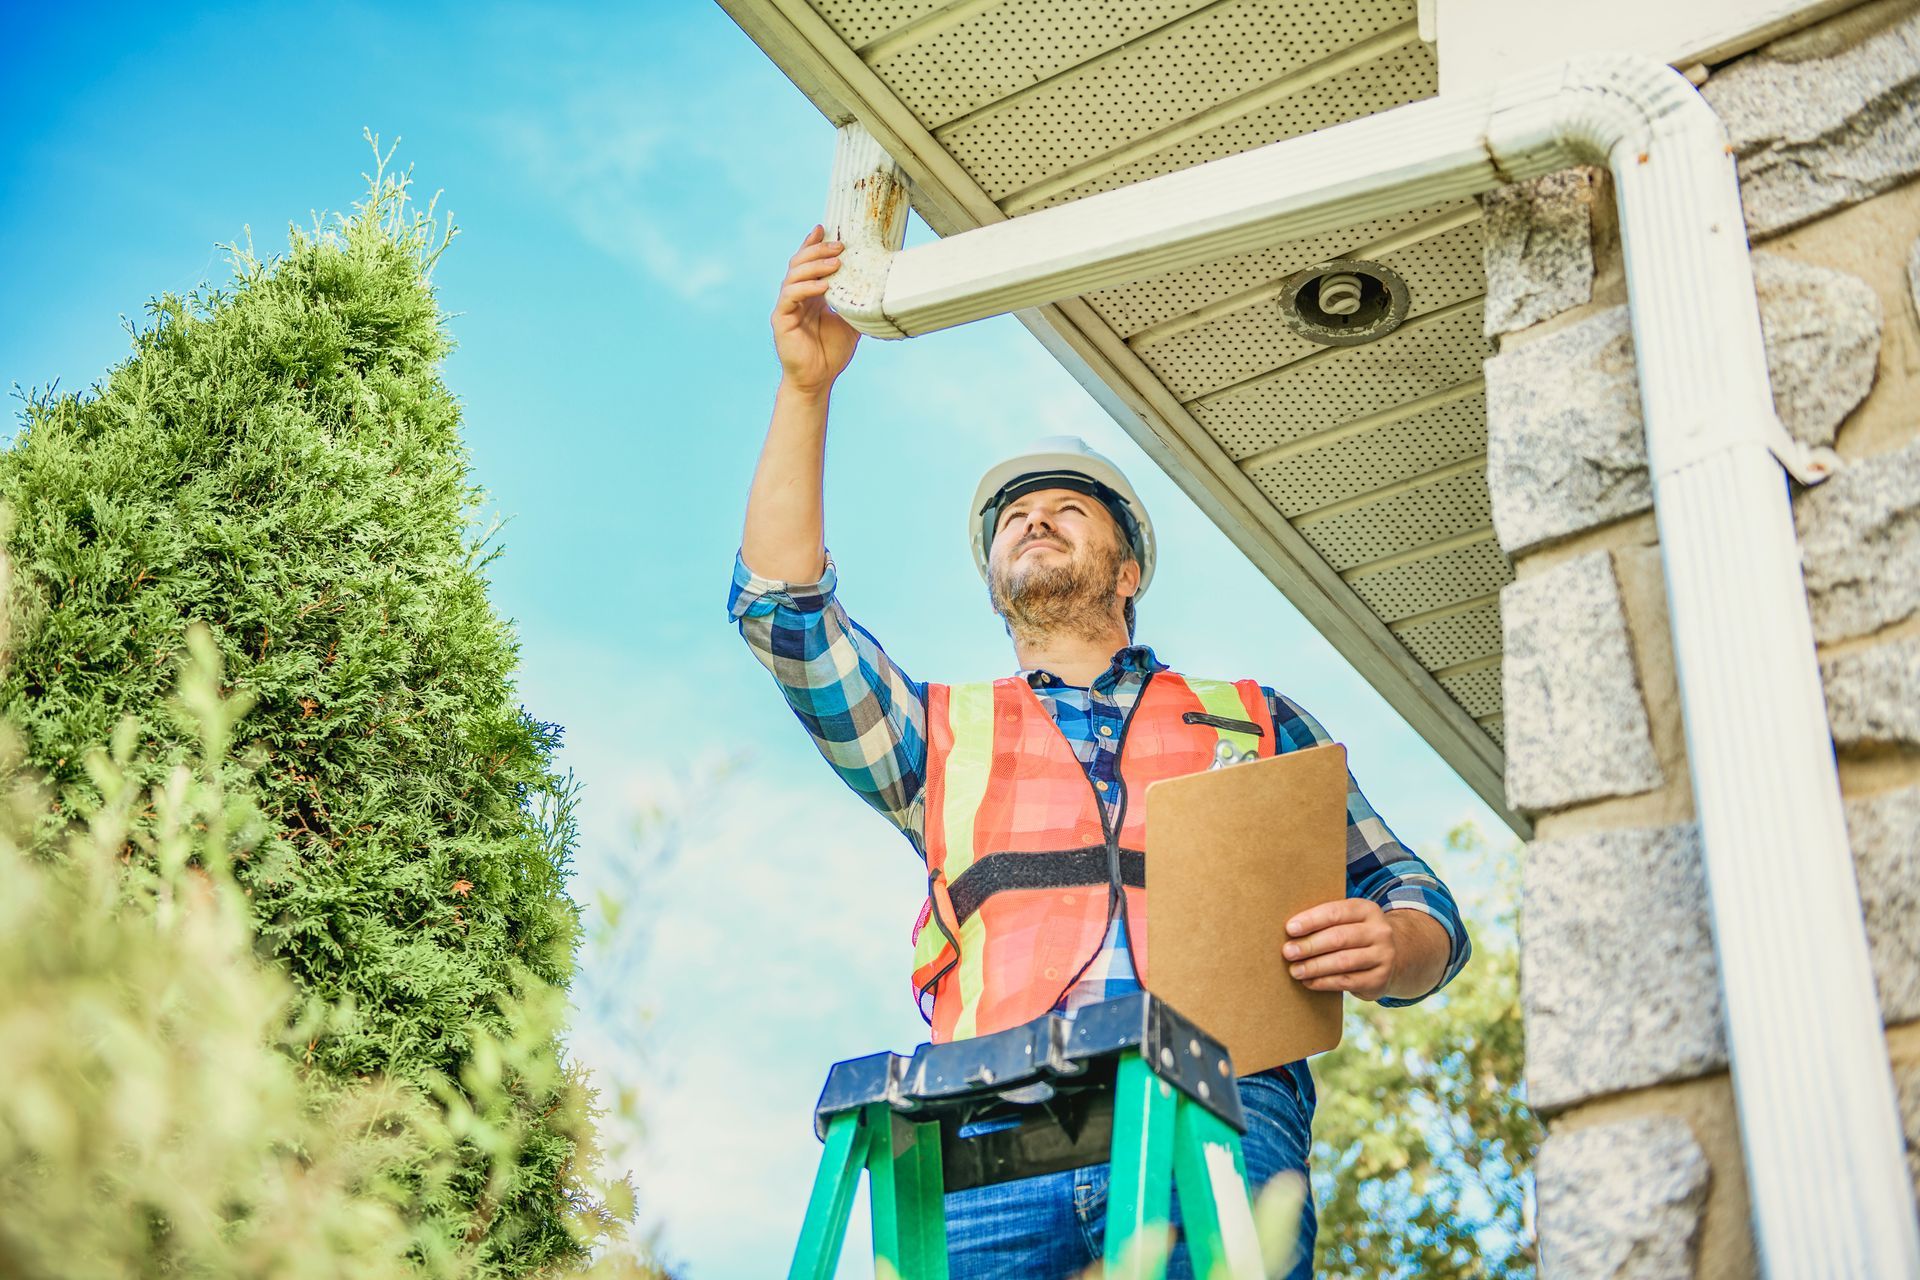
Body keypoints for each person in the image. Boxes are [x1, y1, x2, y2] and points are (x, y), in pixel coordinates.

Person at [732, 226, 1470, 1278]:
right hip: (988, 1137)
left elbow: (1420, 900)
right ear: (995, 582)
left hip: (1216, 1120)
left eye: (1066, 510)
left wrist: (1394, 942)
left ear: (1126, 570)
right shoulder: (938, 734)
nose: (1033, 520)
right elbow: (782, 614)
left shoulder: (1257, 717)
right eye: (1015, 519)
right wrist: (805, 388)